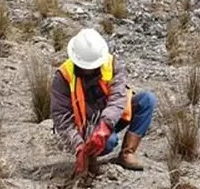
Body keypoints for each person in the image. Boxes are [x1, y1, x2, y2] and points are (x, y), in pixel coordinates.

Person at [50, 27, 157, 177]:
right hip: (85, 128)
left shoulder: (111, 65)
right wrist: (78, 146)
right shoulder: (63, 77)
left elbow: (118, 98)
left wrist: (105, 126)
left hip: (111, 117)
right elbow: (61, 118)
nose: (89, 70)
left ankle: (127, 153)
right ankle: (89, 156)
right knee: (109, 142)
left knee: (147, 100)